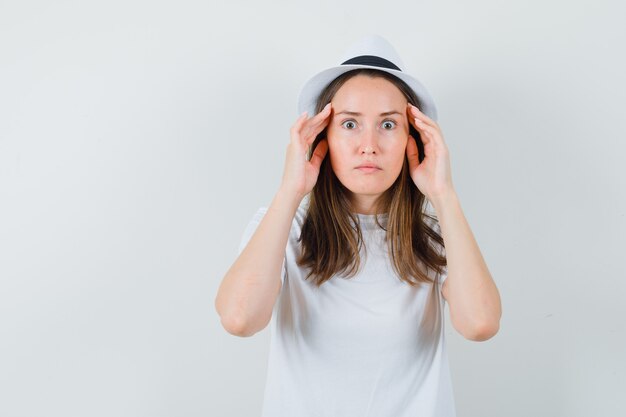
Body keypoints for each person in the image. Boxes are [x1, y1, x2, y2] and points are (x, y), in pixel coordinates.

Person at [215, 35, 502, 417]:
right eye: (349, 124)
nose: (369, 145)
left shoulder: (438, 235)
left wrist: (443, 194)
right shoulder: (283, 227)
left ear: (411, 139)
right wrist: (291, 188)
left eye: (388, 124)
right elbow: (239, 318)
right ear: (323, 138)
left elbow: (480, 324)